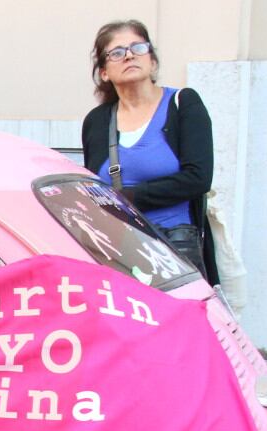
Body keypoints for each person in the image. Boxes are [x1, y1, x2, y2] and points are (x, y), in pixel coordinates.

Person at [80, 20, 215, 281]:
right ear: (104, 72)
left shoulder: (183, 103)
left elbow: (198, 178)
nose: (129, 55)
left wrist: (128, 197)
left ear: (152, 61)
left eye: (138, 47)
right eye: (116, 52)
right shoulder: (97, 121)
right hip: (116, 251)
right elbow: (91, 188)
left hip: (174, 248)